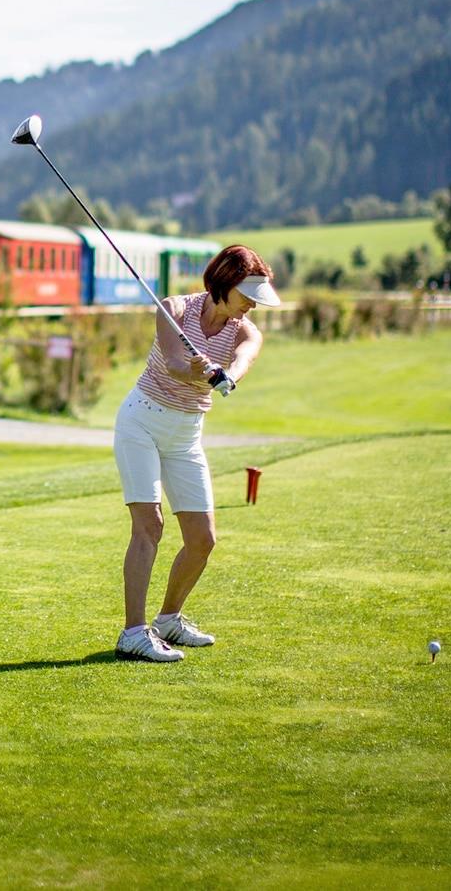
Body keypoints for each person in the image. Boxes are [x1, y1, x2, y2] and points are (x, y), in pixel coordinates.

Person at [112, 244, 280, 663]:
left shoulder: (245, 330)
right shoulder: (174, 310)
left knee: (202, 539)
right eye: (247, 296)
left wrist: (226, 375)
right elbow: (172, 362)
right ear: (224, 284)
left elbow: (244, 358)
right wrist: (193, 369)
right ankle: (133, 633)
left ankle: (169, 619)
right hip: (141, 422)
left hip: (186, 435)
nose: (252, 306)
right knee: (149, 525)